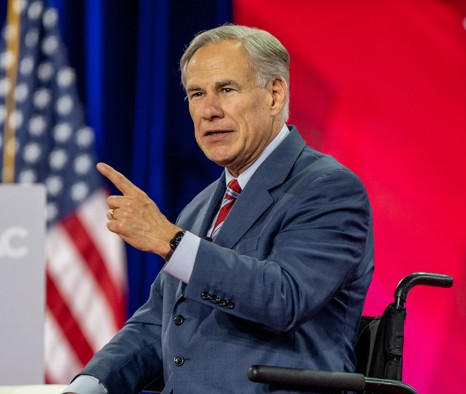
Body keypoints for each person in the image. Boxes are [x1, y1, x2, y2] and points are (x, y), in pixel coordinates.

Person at [63, 24, 374, 393]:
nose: (208, 111)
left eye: (226, 89)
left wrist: (171, 241)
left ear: (275, 95)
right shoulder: (200, 207)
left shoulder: (328, 189)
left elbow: (284, 297)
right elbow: (156, 324)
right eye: (197, 94)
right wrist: (90, 384)